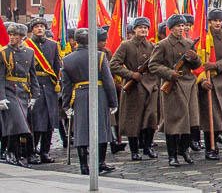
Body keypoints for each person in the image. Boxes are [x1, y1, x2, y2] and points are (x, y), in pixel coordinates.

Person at [61, 28, 118, 175]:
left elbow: (66, 86)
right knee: (102, 129)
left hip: (79, 95)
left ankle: (84, 166)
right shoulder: (99, 56)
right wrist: (113, 102)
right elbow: (108, 81)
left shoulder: (67, 59)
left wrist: (66, 105)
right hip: (98, 94)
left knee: (81, 131)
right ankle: (100, 163)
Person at [149, 14, 202, 167]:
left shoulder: (189, 43)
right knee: (173, 122)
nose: (181, 28)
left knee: (191, 120)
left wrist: (194, 58)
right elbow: (153, 65)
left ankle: (184, 150)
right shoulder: (163, 45)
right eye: (178, 26)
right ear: (171, 28)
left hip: (189, 84)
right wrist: (168, 73)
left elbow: (196, 66)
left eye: (183, 26)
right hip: (172, 85)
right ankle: (173, 155)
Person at [109, 17, 159, 160]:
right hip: (133, 88)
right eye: (140, 27)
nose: (143, 30)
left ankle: (148, 147)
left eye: (145, 28)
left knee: (150, 119)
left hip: (150, 87)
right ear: (134, 29)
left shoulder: (152, 46)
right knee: (133, 120)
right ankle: (134, 150)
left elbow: (158, 65)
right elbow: (114, 65)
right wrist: (131, 74)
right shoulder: (126, 46)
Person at [196, 8, 222, 159]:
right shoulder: (202, 37)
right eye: (215, 21)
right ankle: (210, 148)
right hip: (207, 82)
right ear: (209, 22)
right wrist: (202, 79)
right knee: (210, 118)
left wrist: (216, 65)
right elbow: (196, 61)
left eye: (220, 21)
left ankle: (217, 139)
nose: (217, 23)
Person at [0, 22, 40, 167]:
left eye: (15, 35)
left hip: (24, 91)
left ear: (22, 37)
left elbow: (32, 75)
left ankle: (15, 155)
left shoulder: (29, 52)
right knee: (18, 122)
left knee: (18, 124)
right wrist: (2, 97)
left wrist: (35, 94)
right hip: (10, 90)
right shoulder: (3, 52)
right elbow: (0, 77)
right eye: (10, 34)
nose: (12, 37)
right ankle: (11, 153)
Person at [25, 17, 60, 165]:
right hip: (34, 86)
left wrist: (57, 85)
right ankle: (32, 152)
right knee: (35, 122)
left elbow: (57, 66)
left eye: (42, 26)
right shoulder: (27, 45)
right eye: (36, 26)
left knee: (49, 122)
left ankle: (45, 151)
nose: (39, 29)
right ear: (32, 29)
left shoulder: (53, 45)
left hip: (50, 86)